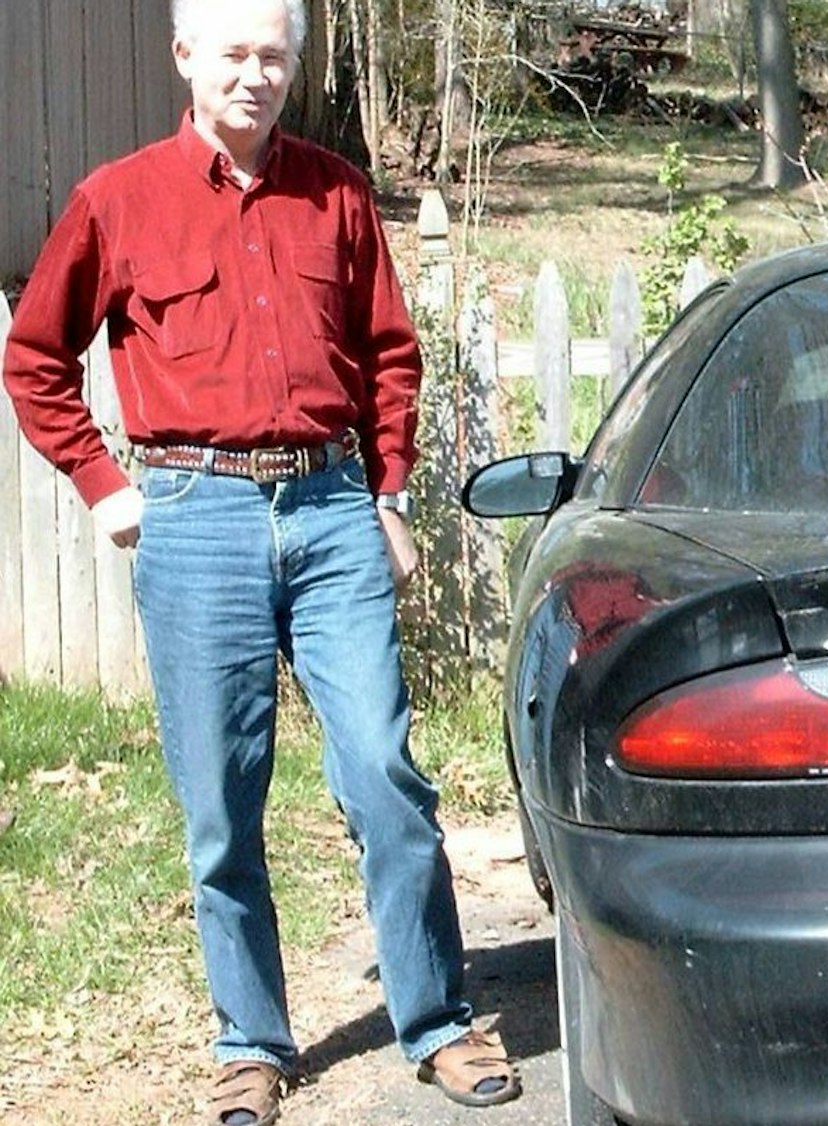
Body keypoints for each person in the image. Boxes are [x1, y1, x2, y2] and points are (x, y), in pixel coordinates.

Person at [1, 1, 520, 1122]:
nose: (255, 74)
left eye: (274, 56)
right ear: (185, 56)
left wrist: (387, 494)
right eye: (234, 53)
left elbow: (389, 355)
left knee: (384, 772)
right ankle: (251, 1039)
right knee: (221, 807)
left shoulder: (337, 193)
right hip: (196, 519)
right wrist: (104, 484)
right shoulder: (118, 199)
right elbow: (35, 357)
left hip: (332, 509)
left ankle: (435, 1018)